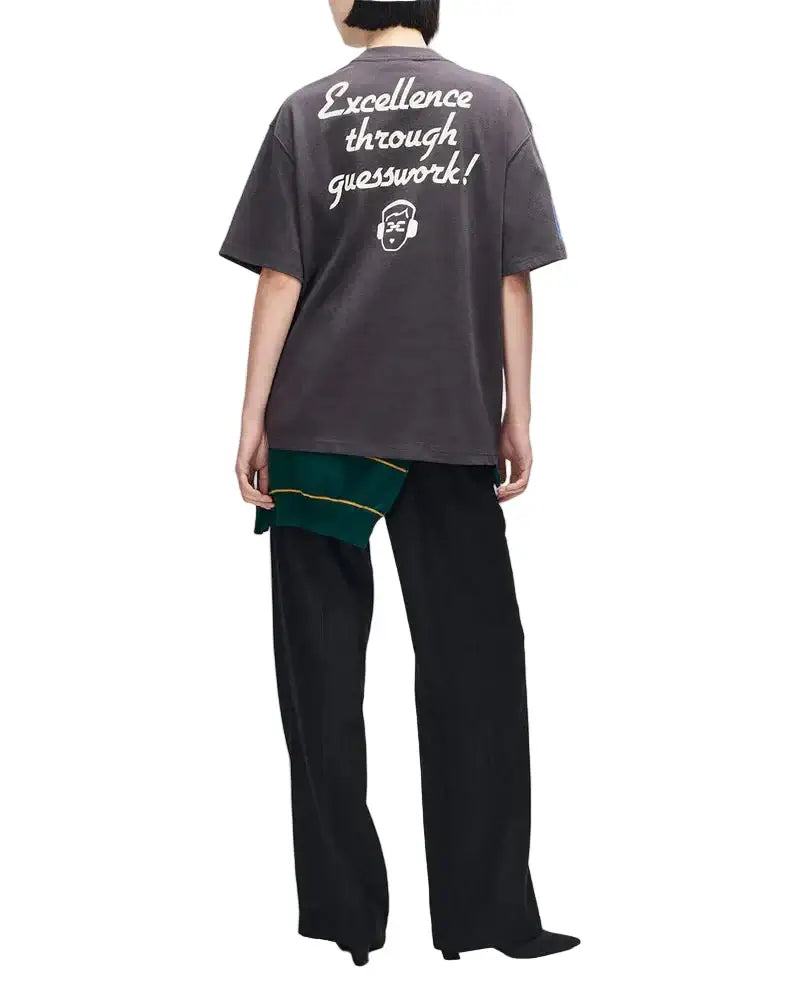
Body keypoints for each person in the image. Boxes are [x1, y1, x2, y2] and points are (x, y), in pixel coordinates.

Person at [220, 0, 579, 967]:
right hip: (447, 424)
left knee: (321, 680)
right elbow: (513, 276)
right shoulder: (495, 107)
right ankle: (489, 916)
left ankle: (346, 919)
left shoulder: (306, 112)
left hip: (320, 431)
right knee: (477, 673)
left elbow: (280, 277)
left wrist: (253, 415)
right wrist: (516, 412)